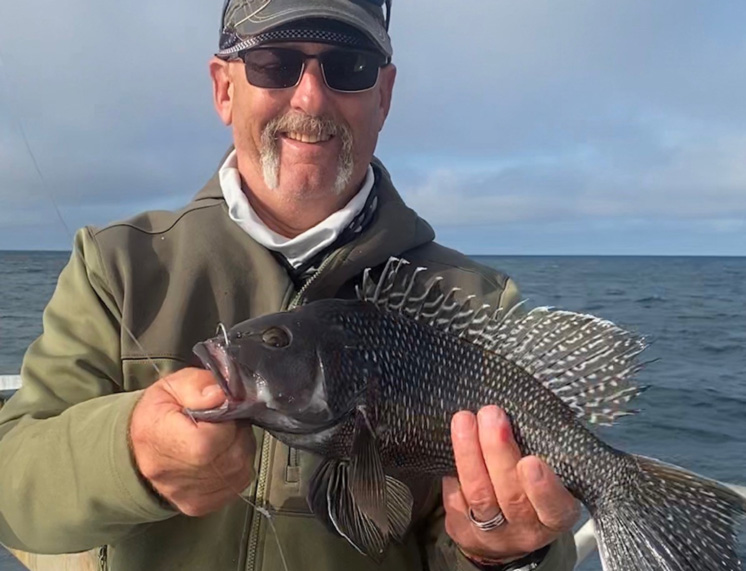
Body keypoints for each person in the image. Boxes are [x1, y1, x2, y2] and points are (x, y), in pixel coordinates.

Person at [0, 1, 579, 570]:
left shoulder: (473, 301)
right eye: (275, 64)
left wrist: (505, 553)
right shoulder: (116, 266)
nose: (310, 98)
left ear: (383, 94)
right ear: (224, 88)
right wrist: (129, 455)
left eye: (347, 67)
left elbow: (511, 543)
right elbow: (11, 491)